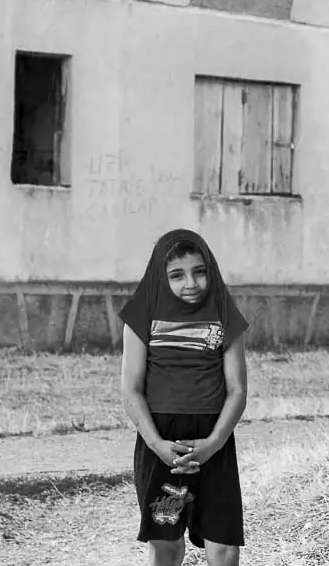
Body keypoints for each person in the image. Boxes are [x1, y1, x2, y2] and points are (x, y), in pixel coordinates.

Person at [120, 228, 249, 566]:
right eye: (177, 275)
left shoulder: (225, 314)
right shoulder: (140, 316)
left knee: (224, 548)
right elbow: (131, 390)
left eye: (200, 272)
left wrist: (212, 444)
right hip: (164, 449)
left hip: (214, 446)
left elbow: (237, 390)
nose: (190, 283)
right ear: (161, 278)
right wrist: (158, 446)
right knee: (166, 545)